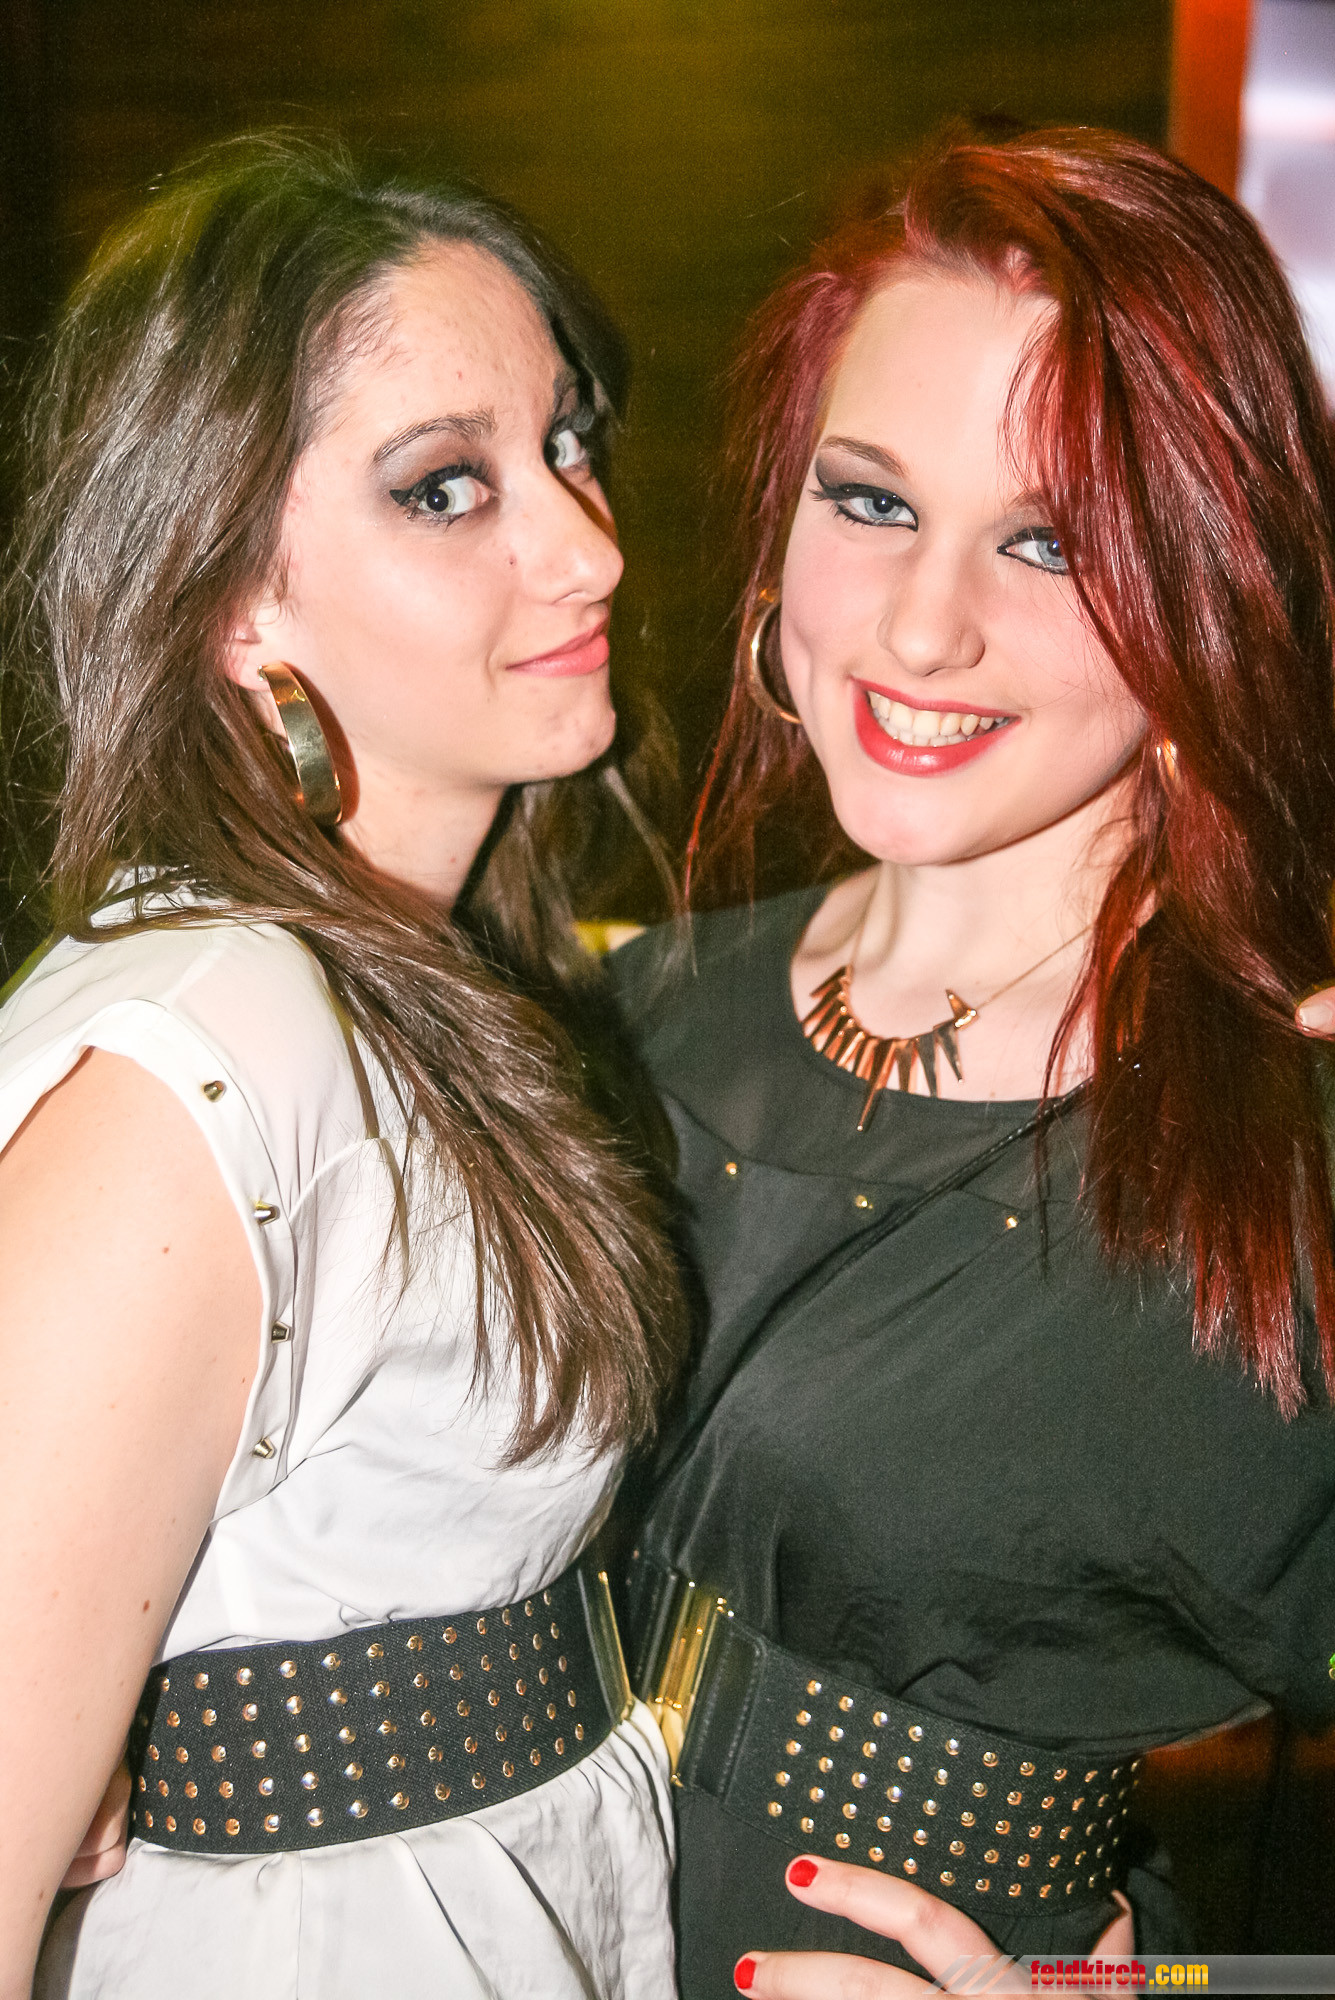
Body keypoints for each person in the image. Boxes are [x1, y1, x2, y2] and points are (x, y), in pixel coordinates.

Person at [609, 128, 1335, 1996]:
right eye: (869, 502)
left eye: (1051, 541)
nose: (925, 627)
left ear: (1209, 585)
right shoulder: (632, 1013)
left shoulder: (1289, 1146)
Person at [0, 138, 690, 2000]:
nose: (590, 547)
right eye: (446, 487)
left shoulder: (425, 995)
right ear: (232, 597)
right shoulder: (211, 1045)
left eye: (565, 442)